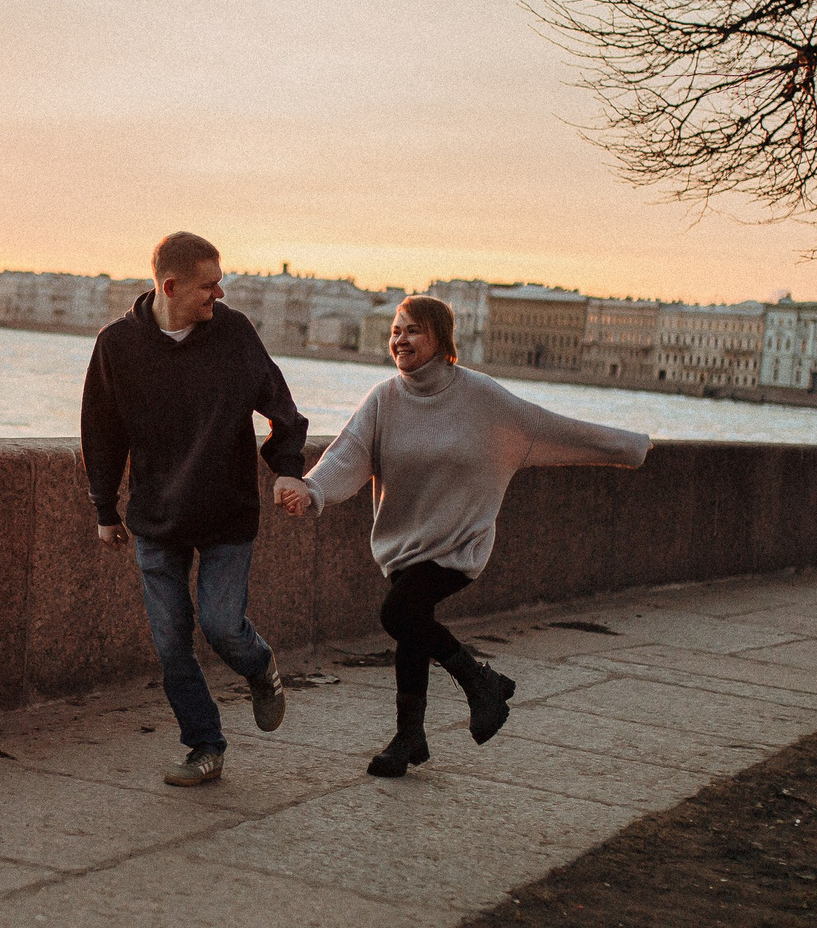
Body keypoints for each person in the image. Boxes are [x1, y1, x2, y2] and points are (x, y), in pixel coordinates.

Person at [277, 294, 649, 777]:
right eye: (395, 330)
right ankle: (409, 736)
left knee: (399, 612)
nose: (400, 339)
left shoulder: (480, 396)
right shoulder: (385, 398)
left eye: (412, 330)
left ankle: (480, 684)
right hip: (405, 543)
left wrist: (631, 447)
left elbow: (547, 428)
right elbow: (349, 454)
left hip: (458, 543)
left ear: (440, 339)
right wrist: (312, 490)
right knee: (412, 627)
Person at [83, 232, 309, 787]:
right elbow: (101, 432)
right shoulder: (117, 346)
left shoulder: (232, 334)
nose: (219, 292)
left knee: (223, 626)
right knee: (170, 643)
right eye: (209, 285)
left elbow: (281, 407)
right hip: (157, 516)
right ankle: (204, 744)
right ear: (170, 285)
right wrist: (104, 508)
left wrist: (285, 465)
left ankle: (260, 667)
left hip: (227, 511)